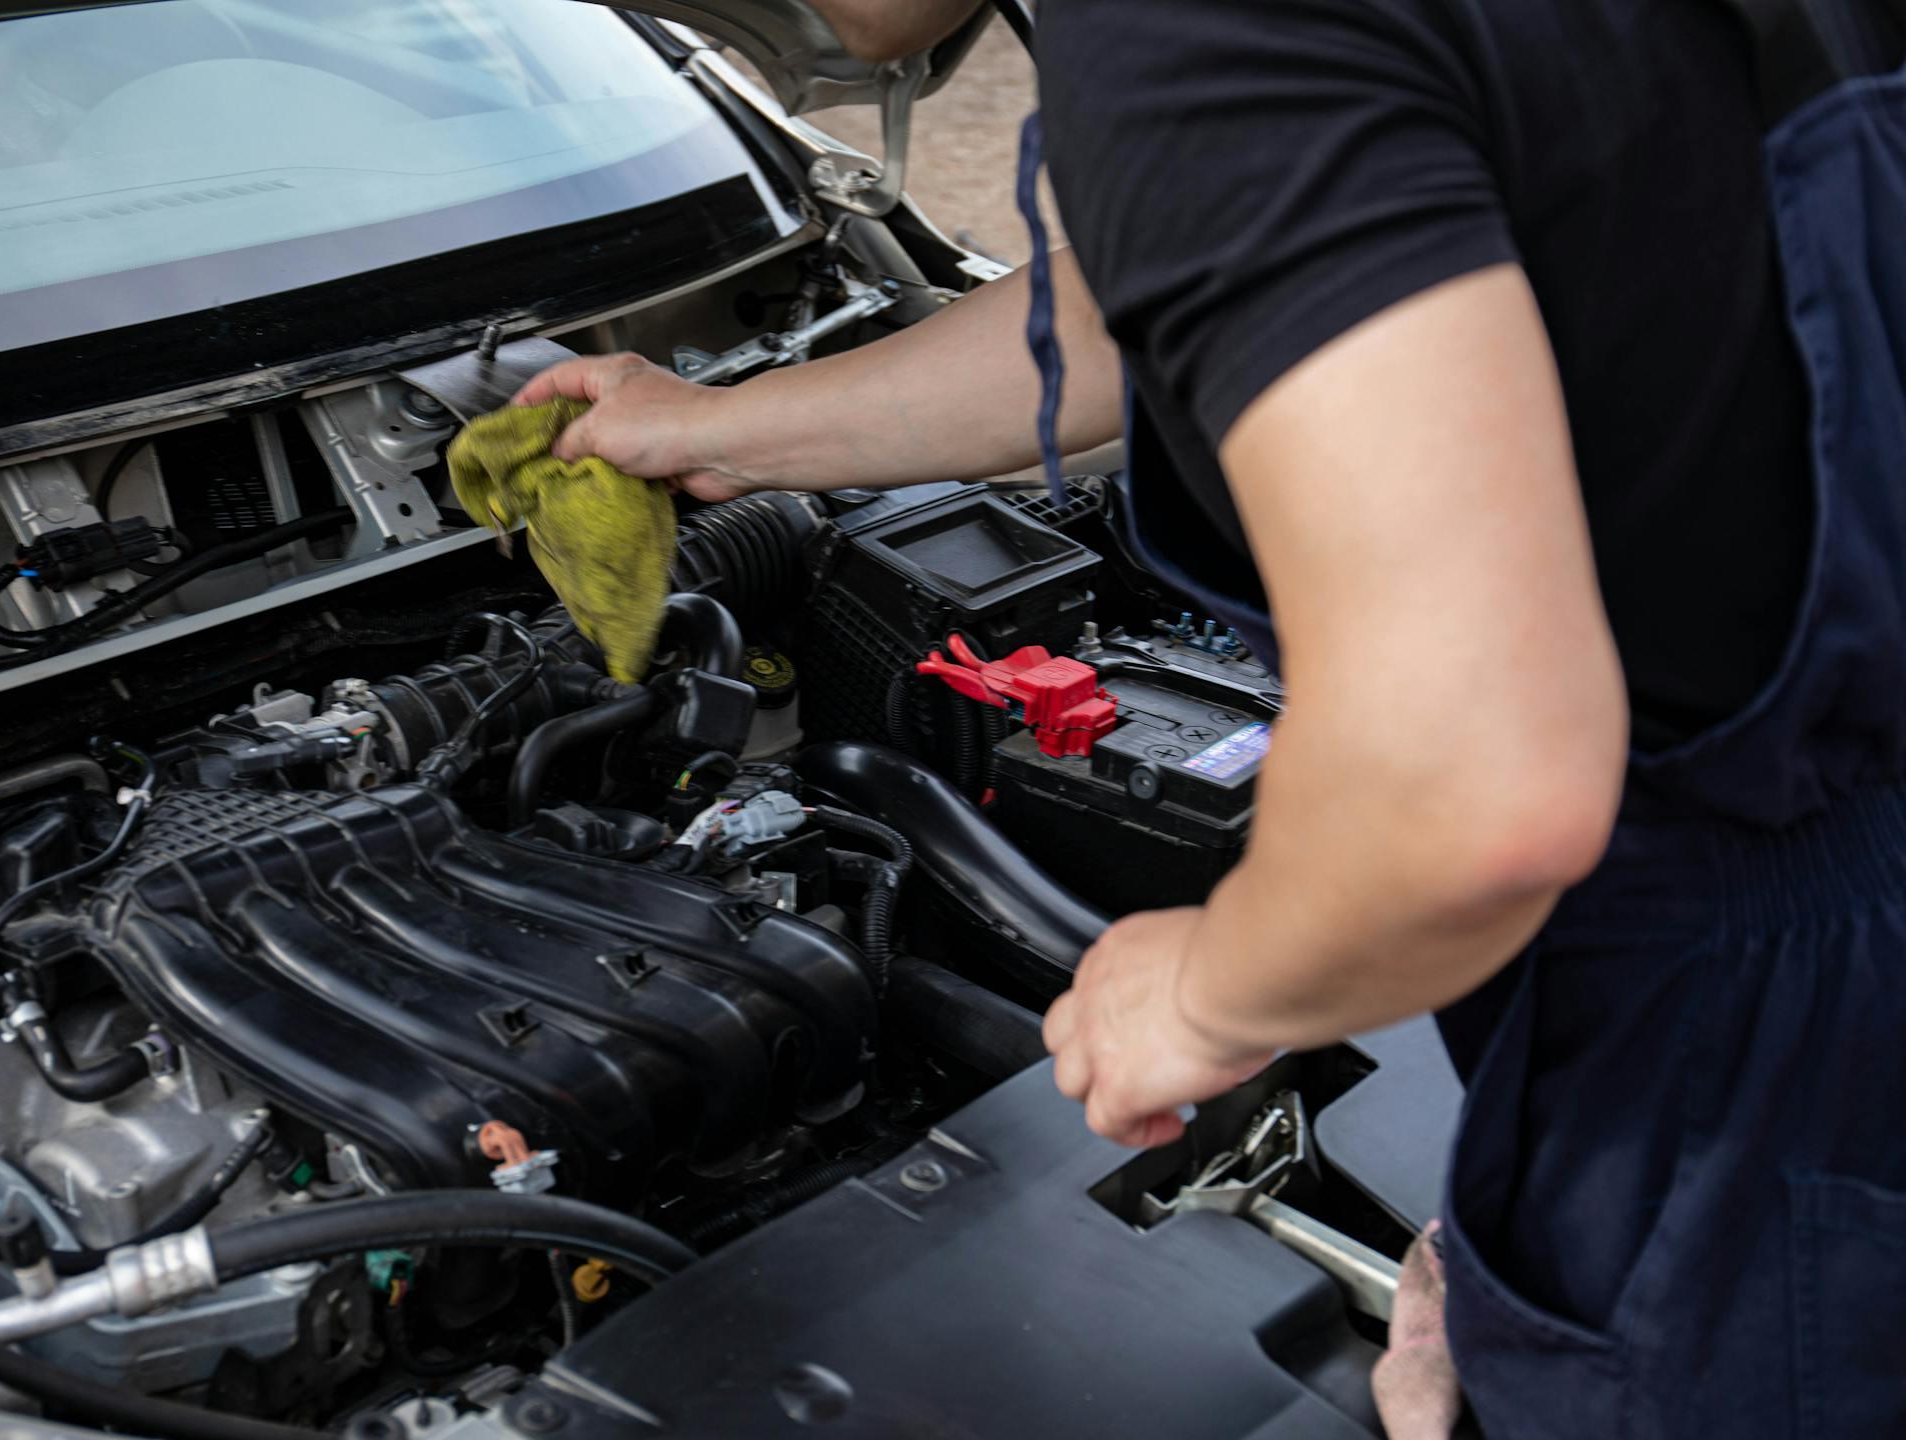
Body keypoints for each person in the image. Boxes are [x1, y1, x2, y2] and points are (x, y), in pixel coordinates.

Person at [516, 0, 1906, 1432]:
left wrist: (1203, 991)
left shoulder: (1199, 26)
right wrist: (720, 428)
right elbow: (1180, 285)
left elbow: (1472, 791)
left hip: (1747, 1016)